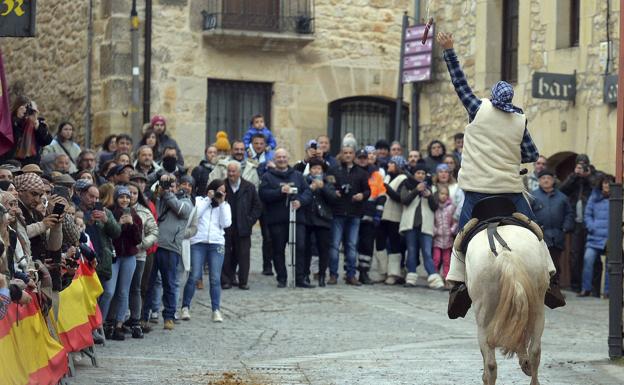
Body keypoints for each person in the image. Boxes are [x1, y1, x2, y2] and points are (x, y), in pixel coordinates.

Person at [436, 31, 561, 318]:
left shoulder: (478, 109)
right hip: (510, 191)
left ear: (492, 98)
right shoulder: (519, 120)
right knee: (535, 233)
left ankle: (456, 285)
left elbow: (459, 82)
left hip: (477, 190)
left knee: (461, 238)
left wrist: (449, 49)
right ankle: (552, 280)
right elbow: (531, 153)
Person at [142, 174, 193, 330]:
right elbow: (149, 202)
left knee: (169, 283)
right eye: (166, 185)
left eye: (172, 185)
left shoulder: (186, 201)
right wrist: (159, 190)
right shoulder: (158, 198)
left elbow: (180, 210)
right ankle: (143, 315)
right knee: (148, 283)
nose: (169, 188)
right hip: (154, 244)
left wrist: (166, 193)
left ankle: (169, 316)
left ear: (177, 187)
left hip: (170, 247)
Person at [259, 148, 312, 288]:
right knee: (278, 249)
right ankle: (282, 278)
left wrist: (300, 201)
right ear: (275, 160)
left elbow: (307, 192)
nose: (282, 160)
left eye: (284, 157)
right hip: (277, 220)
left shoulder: (298, 176)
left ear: (288, 159)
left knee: (300, 247)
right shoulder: (267, 177)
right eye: (279, 157)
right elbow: (263, 194)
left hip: (297, 219)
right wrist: (279, 191)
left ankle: (300, 278)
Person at [180, 179, 231, 322]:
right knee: (194, 275)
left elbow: (225, 223)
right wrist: (208, 199)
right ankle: (185, 307)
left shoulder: (225, 205)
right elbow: (195, 215)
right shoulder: (200, 200)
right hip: (198, 243)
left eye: (223, 191)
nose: (220, 193)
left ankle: (216, 310)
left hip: (216, 244)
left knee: (215, 278)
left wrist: (221, 204)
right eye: (218, 190)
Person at [78, 183, 121, 328]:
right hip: (84, 260)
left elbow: (116, 232)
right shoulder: (77, 212)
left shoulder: (105, 212)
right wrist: (86, 222)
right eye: (91, 196)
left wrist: (106, 221)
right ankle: (89, 327)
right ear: (82, 195)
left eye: (97, 197)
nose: (94, 200)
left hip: (103, 260)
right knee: (87, 297)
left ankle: (98, 324)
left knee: (106, 293)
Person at [327, 146, 370, 286]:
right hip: (338, 212)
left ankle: (351, 275)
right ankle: (333, 274)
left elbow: (368, 191)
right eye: (345, 153)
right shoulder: (334, 170)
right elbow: (328, 186)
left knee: (351, 245)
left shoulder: (362, 173)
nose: (348, 155)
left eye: (350, 153)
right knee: (334, 245)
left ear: (354, 155)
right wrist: (334, 193)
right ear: (341, 154)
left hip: (354, 212)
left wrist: (362, 195)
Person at [105, 186, 143, 341]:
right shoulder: (110, 214)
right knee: (109, 291)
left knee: (123, 291)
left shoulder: (135, 216)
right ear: (116, 198)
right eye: (122, 197)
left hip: (128, 257)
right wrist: (119, 224)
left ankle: (119, 324)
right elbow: (110, 236)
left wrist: (132, 224)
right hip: (114, 256)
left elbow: (137, 240)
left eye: (127, 197)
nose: (125, 200)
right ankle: (105, 322)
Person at [399, 160, 443, 289]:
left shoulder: (432, 188)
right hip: (410, 224)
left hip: (426, 225)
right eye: (418, 173)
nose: (420, 175)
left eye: (423, 173)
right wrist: (415, 191)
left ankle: (434, 278)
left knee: (427, 253)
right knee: (411, 252)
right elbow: (404, 201)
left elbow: (435, 206)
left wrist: (429, 196)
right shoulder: (407, 185)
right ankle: (411, 277)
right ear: (414, 174)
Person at [531, 169, 574, 298]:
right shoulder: (533, 196)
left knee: (555, 264)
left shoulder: (562, 197)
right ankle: (540, 290)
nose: (546, 180)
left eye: (548, 178)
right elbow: (528, 214)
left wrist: (566, 227)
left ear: (553, 180)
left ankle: (554, 291)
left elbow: (570, 214)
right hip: (539, 236)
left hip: (557, 236)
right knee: (539, 264)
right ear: (539, 181)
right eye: (543, 178)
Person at [222, 161, 262, 290]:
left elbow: (257, 206)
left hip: (243, 226)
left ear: (239, 173)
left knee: (243, 254)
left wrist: (250, 221)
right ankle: (226, 280)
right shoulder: (222, 186)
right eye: (229, 171)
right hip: (226, 227)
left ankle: (243, 281)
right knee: (226, 254)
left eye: (234, 171)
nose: (231, 174)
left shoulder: (248, 187)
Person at [125, 182, 158, 338]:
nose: (131, 196)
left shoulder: (144, 212)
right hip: (121, 255)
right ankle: (119, 319)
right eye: (128, 193)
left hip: (139, 255)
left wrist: (143, 245)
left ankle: (135, 319)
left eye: (134, 193)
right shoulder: (115, 210)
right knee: (121, 288)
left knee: (136, 288)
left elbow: (154, 231)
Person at [559, 160, 593, 292]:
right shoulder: (573, 178)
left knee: (591, 258)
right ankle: (575, 286)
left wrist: (588, 175)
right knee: (575, 255)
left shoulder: (593, 175)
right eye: (579, 165)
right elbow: (562, 190)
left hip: (590, 223)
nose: (581, 168)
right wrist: (574, 175)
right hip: (576, 223)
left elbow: (599, 185)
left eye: (583, 165)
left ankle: (592, 288)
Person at [304, 158, 337, 287]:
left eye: (319, 168)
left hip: (323, 219)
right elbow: (302, 196)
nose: (316, 171)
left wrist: (323, 188)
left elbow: (333, 198)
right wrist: (311, 188)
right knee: (306, 248)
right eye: (314, 168)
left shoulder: (327, 182)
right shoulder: (305, 180)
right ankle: (305, 274)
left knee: (323, 249)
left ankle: (322, 274)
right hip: (307, 219)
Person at [578, 173, 612, 298]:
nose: (607, 185)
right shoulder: (594, 196)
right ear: (601, 184)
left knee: (611, 265)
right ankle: (585, 289)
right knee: (588, 260)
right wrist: (592, 227)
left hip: (611, 239)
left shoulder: (617, 197)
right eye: (605, 182)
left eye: (609, 182)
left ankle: (608, 292)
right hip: (594, 237)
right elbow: (587, 214)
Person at [355, 148, 386, 285]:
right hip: (354, 213)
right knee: (351, 244)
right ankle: (349, 272)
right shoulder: (353, 172)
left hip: (370, 214)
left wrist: (378, 214)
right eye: (360, 157)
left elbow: (381, 195)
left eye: (364, 158)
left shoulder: (376, 174)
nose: (362, 160)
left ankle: (364, 272)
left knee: (367, 245)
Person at [3, 97, 53, 165]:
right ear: (18, 107)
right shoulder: (10, 121)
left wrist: (36, 125)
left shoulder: (38, 123)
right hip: (11, 161)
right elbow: (10, 139)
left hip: (32, 163)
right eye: (25, 107)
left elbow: (47, 141)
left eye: (31, 109)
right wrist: (17, 119)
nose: (28, 111)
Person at [432, 185, 457, 284]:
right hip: (437, 239)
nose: (444, 196)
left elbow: (454, 221)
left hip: (448, 239)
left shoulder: (451, 207)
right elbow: (432, 221)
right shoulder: (435, 207)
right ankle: (435, 277)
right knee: (436, 259)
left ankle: (446, 278)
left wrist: (451, 230)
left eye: (446, 194)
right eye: (442, 194)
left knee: (447, 260)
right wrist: (435, 230)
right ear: (438, 195)